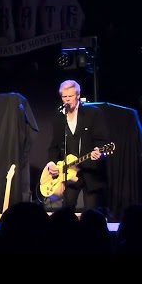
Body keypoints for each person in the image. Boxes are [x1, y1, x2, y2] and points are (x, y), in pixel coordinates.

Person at [44, 79, 109, 213]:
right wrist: (51, 163)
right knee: (66, 211)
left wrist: (98, 150)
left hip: (90, 170)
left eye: (70, 96)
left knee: (91, 212)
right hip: (69, 172)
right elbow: (54, 146)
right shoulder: (59, 118)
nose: (67, 100)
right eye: (64, 97)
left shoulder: (93, 113)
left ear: (78, 95)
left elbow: (102, 139)